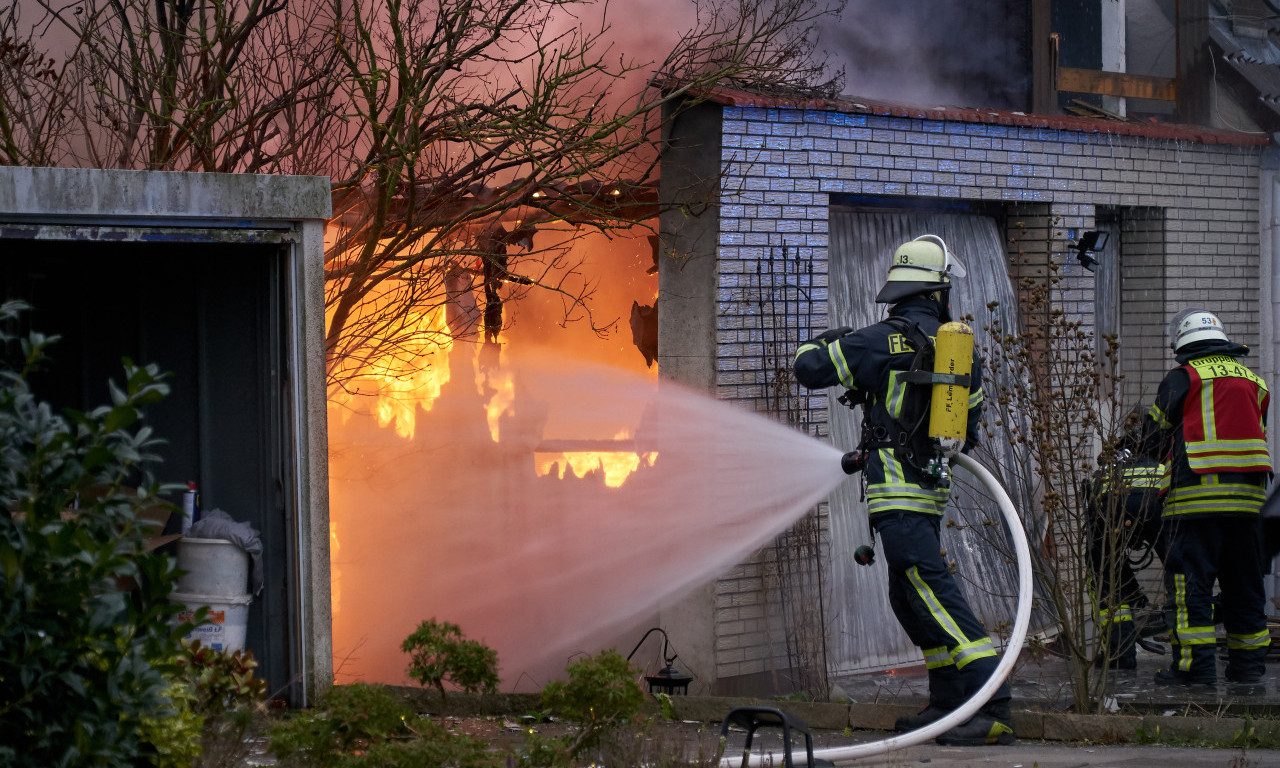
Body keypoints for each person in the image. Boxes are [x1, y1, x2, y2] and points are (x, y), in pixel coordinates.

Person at [793, 235, 1014, 746]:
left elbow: (809, 368)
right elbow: (970, 429)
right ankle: (949, 703)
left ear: (899, 290)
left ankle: (993, 701)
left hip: (896, 487)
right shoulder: (960, 351)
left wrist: (824, 339)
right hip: (930, 486)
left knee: (926, 585)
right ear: (938, 293)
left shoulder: (881, 339)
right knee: (906, 592)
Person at [1130, 308, 1272, 687]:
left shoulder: (1183, 378)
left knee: (1190, 587)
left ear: (1184, 347)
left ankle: (1196, 669)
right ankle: (1248, 669)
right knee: (1245, 587)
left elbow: (1155, 437)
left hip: (1195, 502)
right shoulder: (1255, 382)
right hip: (1248, 504)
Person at [1083, 447, 1166, 669]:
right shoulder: (1161, 465)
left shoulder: (1106, 472)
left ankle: (1121, 655)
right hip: (1157, 502)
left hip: (1112, 505)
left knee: (1104, 574)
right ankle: (1192, 658)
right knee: (1183, 575)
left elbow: (1098, 548)